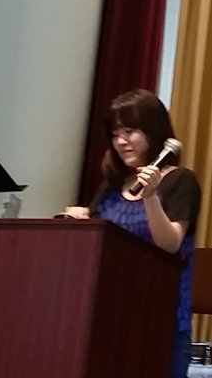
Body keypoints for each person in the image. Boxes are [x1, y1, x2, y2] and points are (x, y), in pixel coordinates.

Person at [62, 89, 201, 378]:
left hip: (160, 319)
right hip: (110, 317)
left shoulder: (180, 181)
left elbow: (170, 245)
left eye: (130, 131)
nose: (121, 141)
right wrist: (80, 220)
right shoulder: (114, 185)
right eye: (115, 134)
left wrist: (150, 198)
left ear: (154, 130)